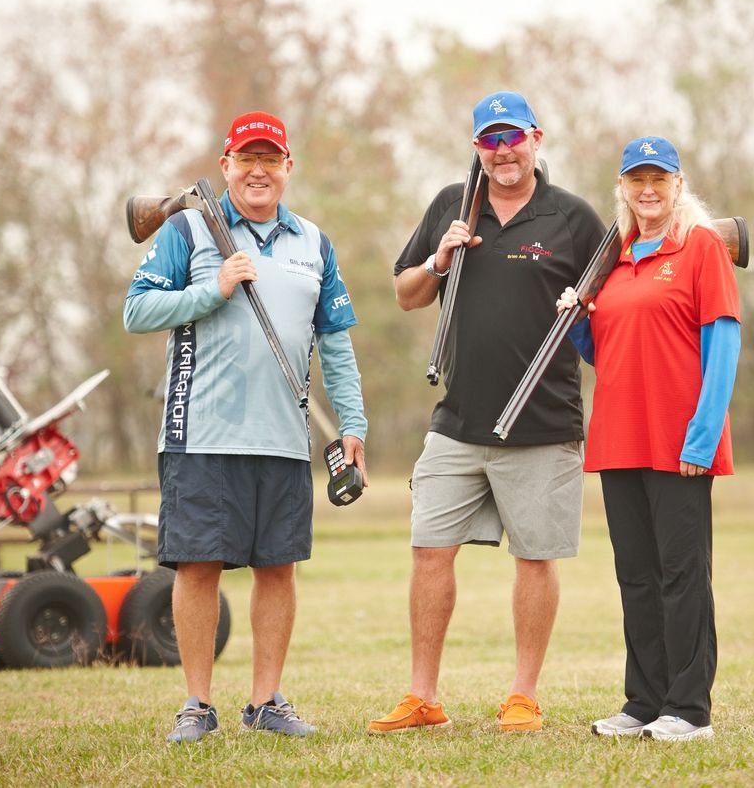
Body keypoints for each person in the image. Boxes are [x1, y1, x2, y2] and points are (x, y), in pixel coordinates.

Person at [124, 111, 368, 744]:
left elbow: (336, 345)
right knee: (198, 567)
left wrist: (353, 426)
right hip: (199, 434)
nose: (259, 170)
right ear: (226, 165)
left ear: (288, 168)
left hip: (284, 438)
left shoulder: (314, 241)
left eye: (271, 158)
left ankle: (266, 703)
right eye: (246, 158)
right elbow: (138, 309)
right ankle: (197, 704)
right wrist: (214, 290)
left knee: (278, 568)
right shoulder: (185, 229)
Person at [368, 91, 606, 734]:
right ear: (477, 147)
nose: (503, 151)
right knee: (428, 551)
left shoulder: (575, 218)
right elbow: (405, 293)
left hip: (545, 422)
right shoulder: (452, 203)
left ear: (537, 138)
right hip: (458, 420)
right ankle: (423, 698)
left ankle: (522, 695)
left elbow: (610, 310)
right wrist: (438, 260)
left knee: (535, 557)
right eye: (490, 140)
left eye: (513, 138)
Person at [558, 136, 741, 741]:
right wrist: (577, 319)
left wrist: (703, 436)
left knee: (681, 574)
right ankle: (645, 701)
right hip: (619, 439)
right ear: (623, 189)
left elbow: (723, 342)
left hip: (679, 441)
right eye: (636, 180)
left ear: (678, 186)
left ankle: (689, 709)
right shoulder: (615, 259)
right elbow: (605, 352)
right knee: (635, 575)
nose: (647, 190)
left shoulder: (701, 248)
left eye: (658, 178)